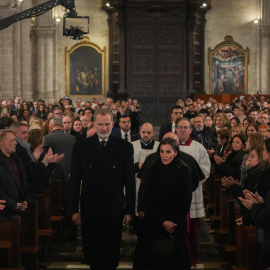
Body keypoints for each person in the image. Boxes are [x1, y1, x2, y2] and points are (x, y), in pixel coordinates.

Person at [68, 109, 135, 270]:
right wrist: (73, 210)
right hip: (90, 206)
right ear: (94, 124)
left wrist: (130, 210)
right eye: (100, 124)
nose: (104, 128)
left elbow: (130, 181)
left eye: (107, 124)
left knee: (111, 251)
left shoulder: (124, 147)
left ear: (113, 124)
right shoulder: (81, 146)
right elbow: (75, 180)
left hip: (114, 207)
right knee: (92, 251)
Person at [142, 137, 192, 270]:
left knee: (176, 261)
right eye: (162, 152)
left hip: (177, 223)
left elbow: (186, 199)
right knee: (156, 261)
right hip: (156, 221)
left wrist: (173, 222)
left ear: (176, 152)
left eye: (168, 152)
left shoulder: (184, 170)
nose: (164, 155)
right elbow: (149, 199)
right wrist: (162, 222)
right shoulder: (152, 169)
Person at [0, 130, 31, 222]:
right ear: (2, 143)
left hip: (19, 208)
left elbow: (24, 180)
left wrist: (26, 199)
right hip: (4, 212)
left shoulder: (16, 158)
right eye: (12, 140)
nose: (15, 143)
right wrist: (14, 204)